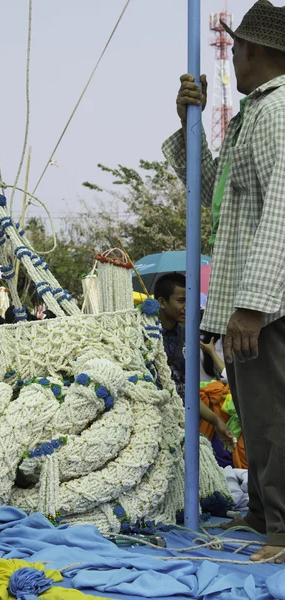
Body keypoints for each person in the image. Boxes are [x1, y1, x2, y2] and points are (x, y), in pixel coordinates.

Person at [162, 0, 285, 561]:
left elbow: (281, 210)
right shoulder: (253, 115)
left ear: (254, 51)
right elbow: (215, 196)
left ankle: (282, 530)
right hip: (248, 300)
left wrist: (253, 305)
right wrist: (191, 123)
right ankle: (264, 515)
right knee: (257, 417)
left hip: (269, 305)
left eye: (236, 47)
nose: (232, 54)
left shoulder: (280, 111)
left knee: (273, 418)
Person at [155, 273, 235, 451]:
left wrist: (216, 421)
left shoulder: (187, 336)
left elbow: (187, 391)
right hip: (153, 425)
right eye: (181, 300)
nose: (187, 307)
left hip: (181, 426)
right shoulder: (146, 335)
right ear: (162, 302)